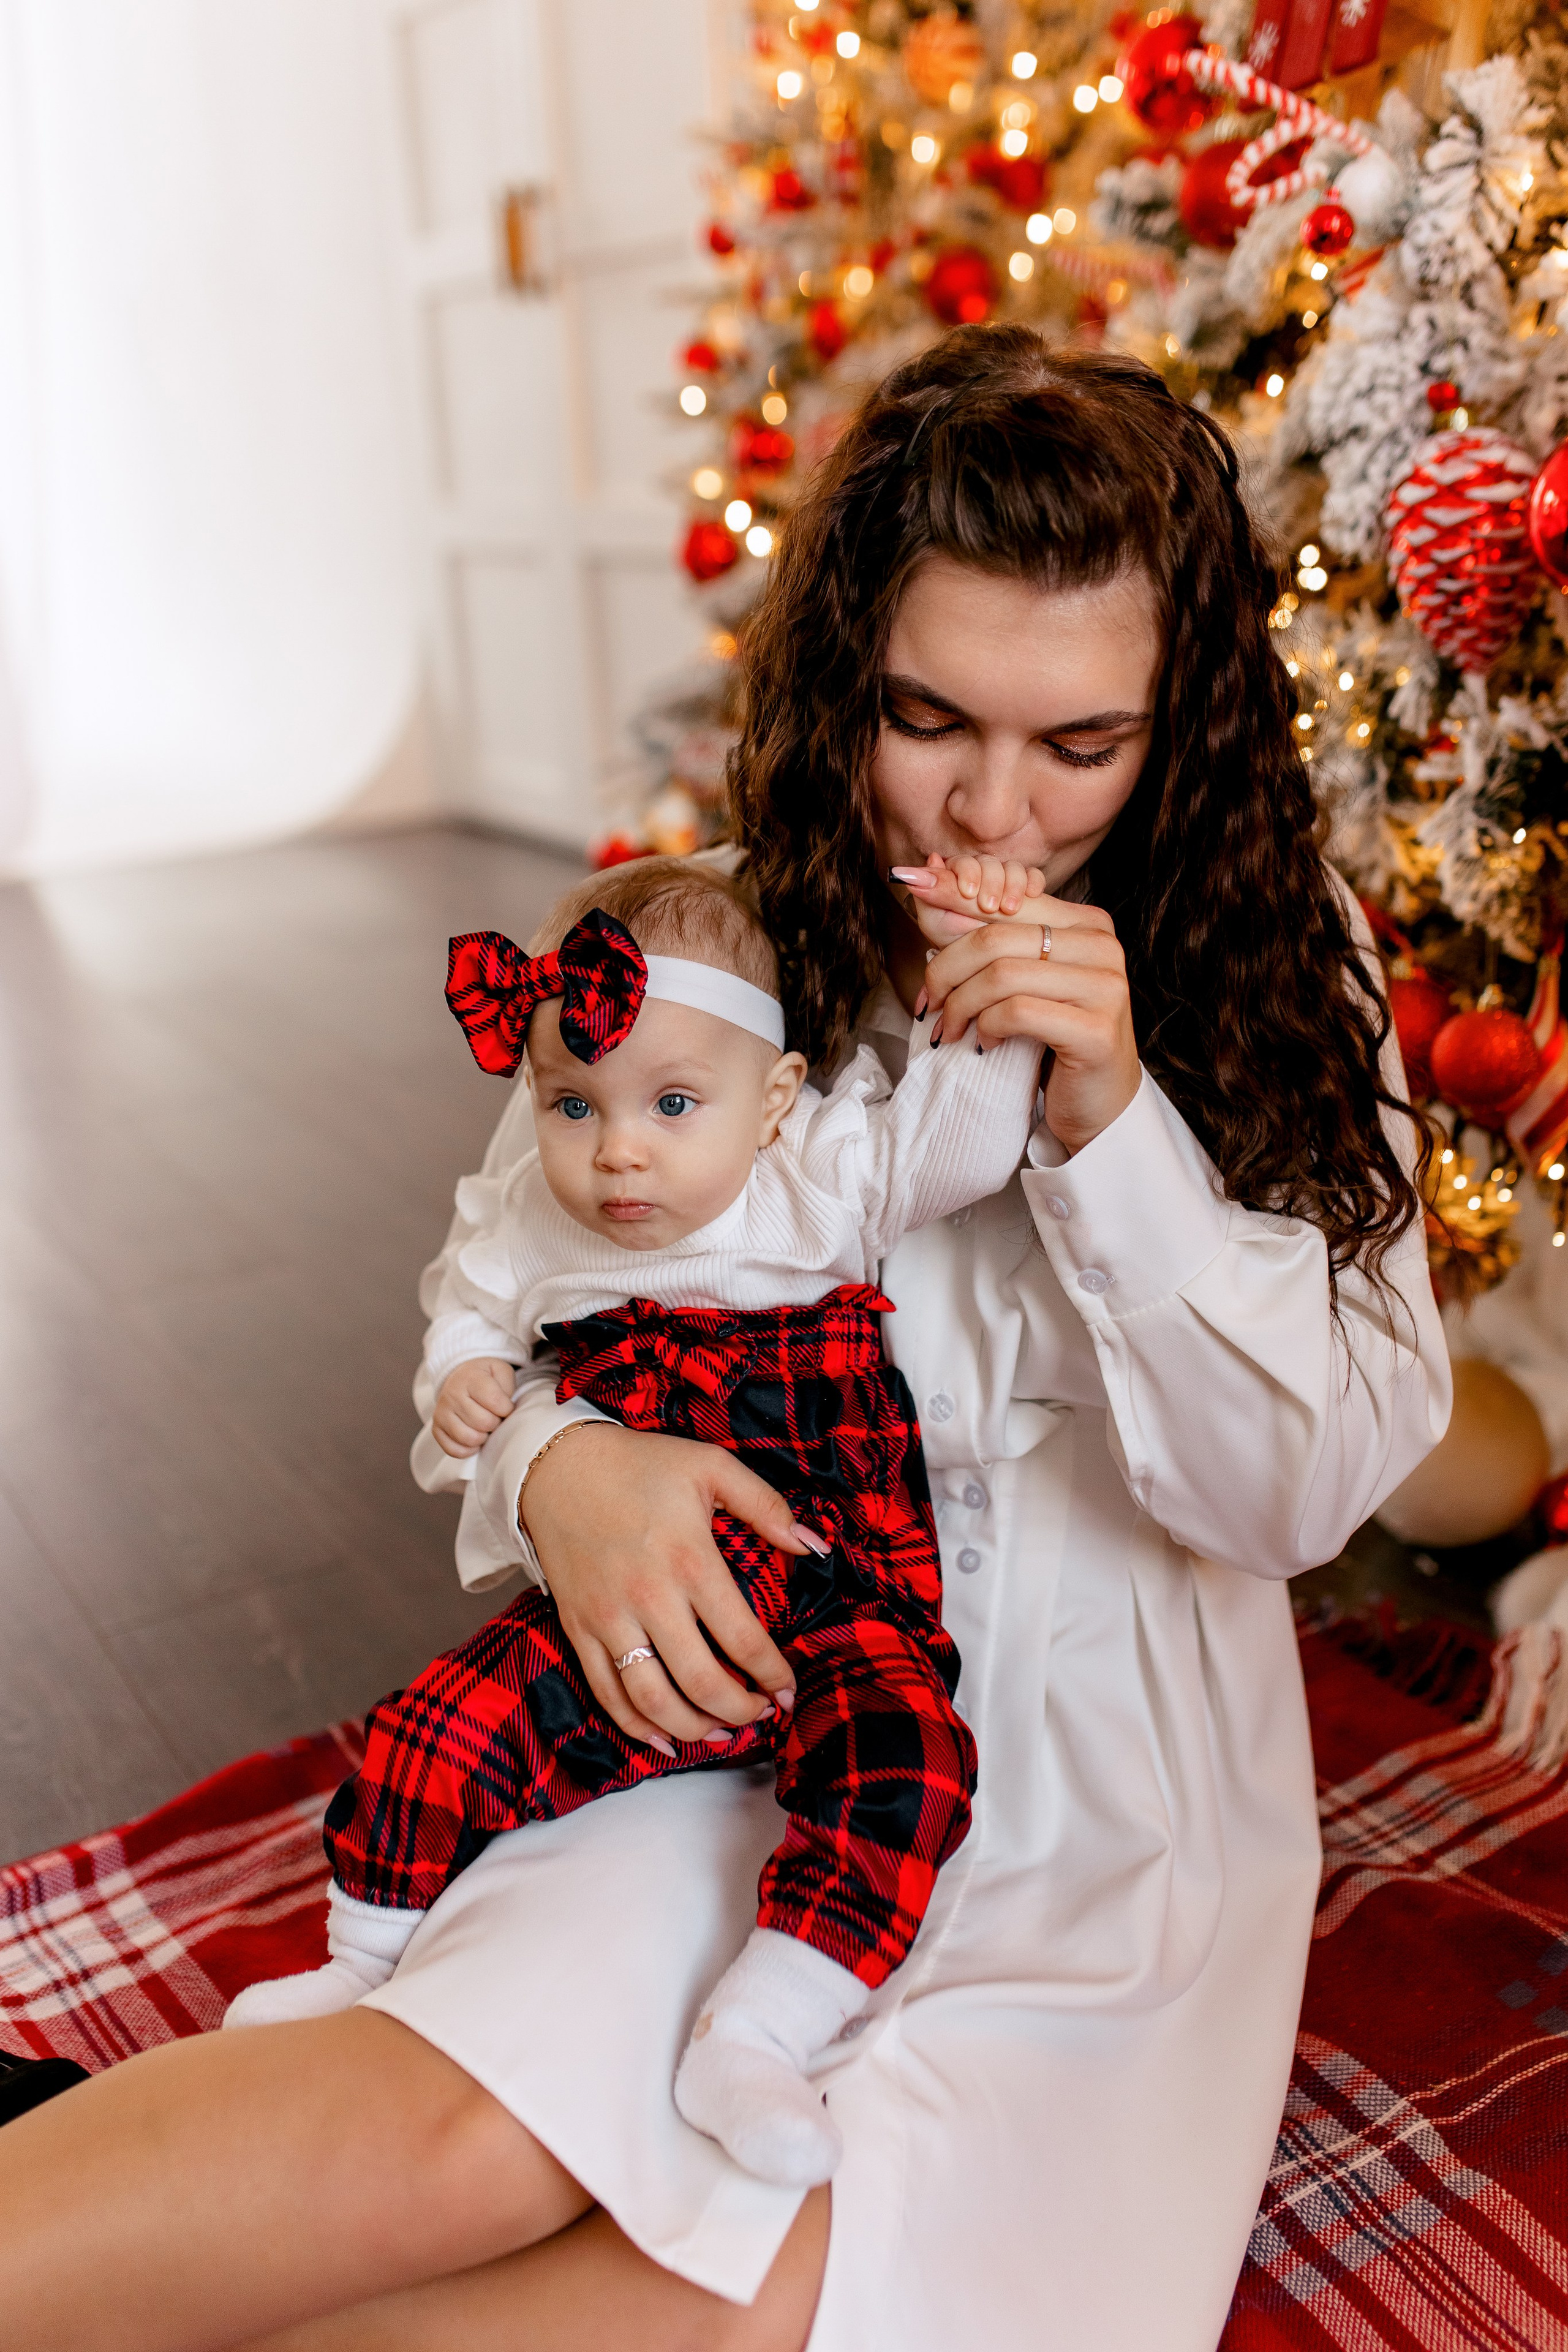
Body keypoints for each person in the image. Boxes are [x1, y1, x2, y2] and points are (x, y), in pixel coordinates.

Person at [0, 326, 1449, 2352]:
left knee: (765, 2296)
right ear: (846, 665)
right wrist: (555, 1469)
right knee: (460, 2148)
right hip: (751, 1687)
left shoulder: (1301, 971)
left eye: (1082, 746)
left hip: (1102, 1789)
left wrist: (1112, 1125)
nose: (995, 813)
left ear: (1183, 726)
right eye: (928, 716)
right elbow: (505, 1280)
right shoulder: (719, 951)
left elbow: (1291, 1492)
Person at [224, 856, 1049, 2191]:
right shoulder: (533, 1217)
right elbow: (469, 1310)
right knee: (433, 1731)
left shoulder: (815, 1176)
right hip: (626, 1591)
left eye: (673, 1103)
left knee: (906, 1765)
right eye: (572, 1103)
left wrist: (986, 960)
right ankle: (361, 1968)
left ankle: (762, 2030)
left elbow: (956, 1142)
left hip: (830, 1577)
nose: (618, 1150)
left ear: (773, 1099)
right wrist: (465, 1383)